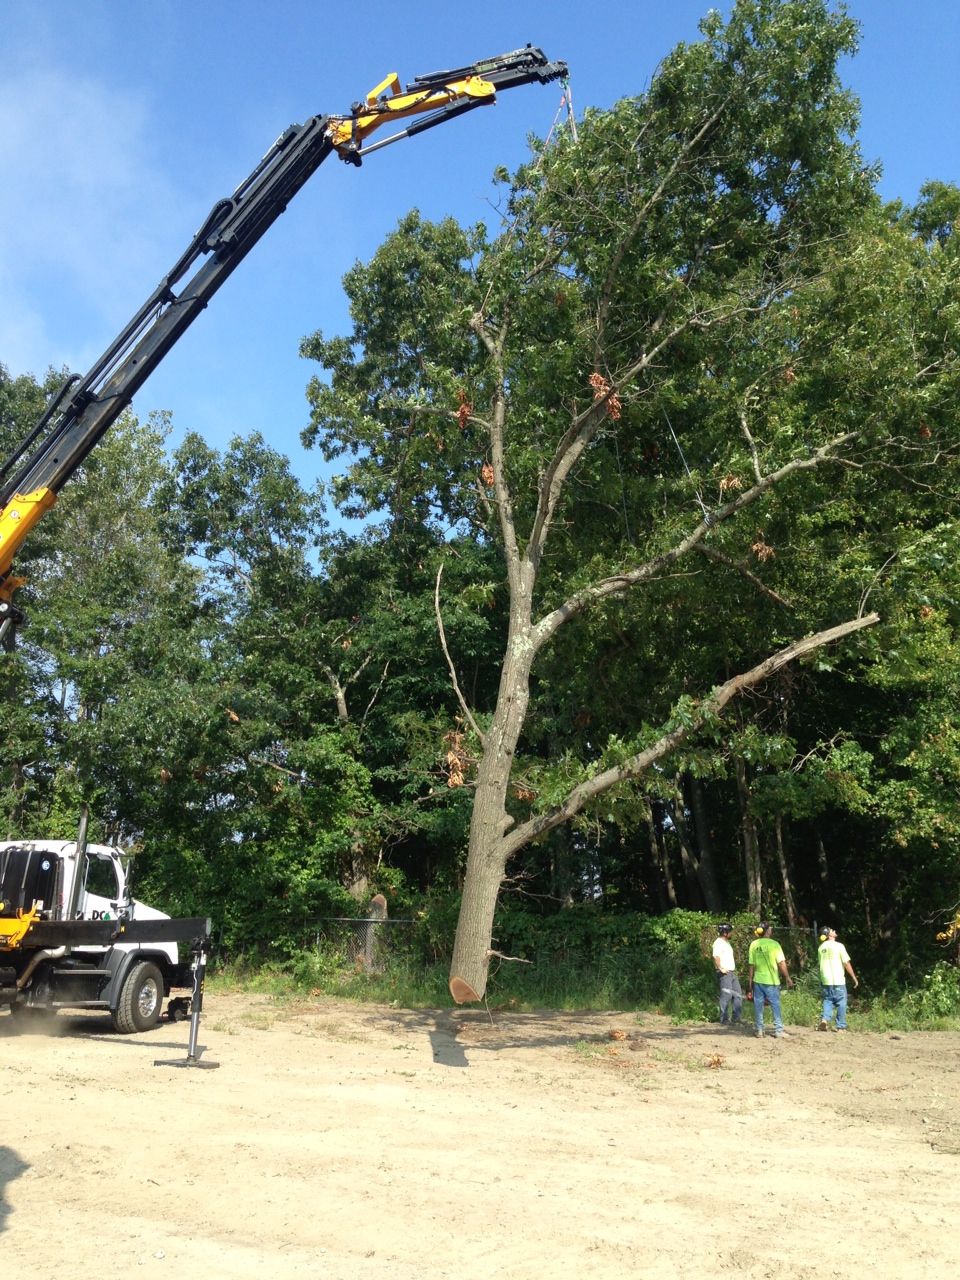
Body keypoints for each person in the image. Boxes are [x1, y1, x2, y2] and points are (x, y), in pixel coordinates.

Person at [747, 921, 794, 1039]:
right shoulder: (775, 944)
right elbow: (781, 963)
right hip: (772, 982)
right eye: (770, 929)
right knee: (775, 1005)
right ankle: (778, 1031)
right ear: (767, 931)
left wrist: (750, 984)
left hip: (758, 981)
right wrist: (787, 977)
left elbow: (751, 966)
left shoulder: (754, 944)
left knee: (758, 1005)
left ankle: (759, 1030)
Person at [818, 925, 858, 1032]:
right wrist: (854, 977)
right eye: (832, 930)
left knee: (828, 1000)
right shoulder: (839, 946)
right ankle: (840, 1026)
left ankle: (824, 1019)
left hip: (826, 980)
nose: (834, 930)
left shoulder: (820, 948)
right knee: (841, 1002)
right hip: (838, 980)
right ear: (829, 934)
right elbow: (846, 963)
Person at [712, 922, 743, 1026]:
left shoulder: (727, 943)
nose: (731, 933)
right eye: (730, 931)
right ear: (725, 933)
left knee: (738, 994)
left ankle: (736, 1018)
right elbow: (716, 957)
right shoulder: (718, 942)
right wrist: (720, 968)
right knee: (726, 995)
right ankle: (724, 1019)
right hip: (725, 973)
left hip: (731, 972)